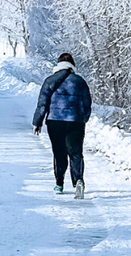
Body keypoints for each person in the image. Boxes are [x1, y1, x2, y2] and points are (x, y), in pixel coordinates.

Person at [32, 53, 92, 199]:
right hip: (75, 121)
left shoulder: (50, 81)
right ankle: (78, 180)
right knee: (76, 153)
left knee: (59, 153)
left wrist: (37, 122)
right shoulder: (80, 81)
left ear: (58, 65)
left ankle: (59, 183)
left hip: (55, 122)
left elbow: (42, 103)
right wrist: (83, 119)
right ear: (72, 65)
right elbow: (87, 104)